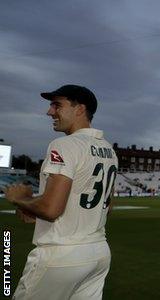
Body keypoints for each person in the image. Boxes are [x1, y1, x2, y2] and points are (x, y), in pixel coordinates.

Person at [3, 84, 118, 299]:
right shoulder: (108, 149)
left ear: (80, 109)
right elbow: (107, 206)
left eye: (57, 105)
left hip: (61, 254)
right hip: (98, 252)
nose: (50, 112)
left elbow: (51, 209)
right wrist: (37, 212)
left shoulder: (64, 145)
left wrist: (21, 199)